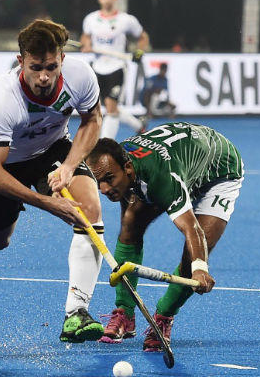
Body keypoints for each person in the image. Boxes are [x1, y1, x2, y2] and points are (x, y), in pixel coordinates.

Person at [0, 19, 106, 343]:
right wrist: (47, 203)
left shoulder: (80, 76)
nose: (44, 77)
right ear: (21, 61)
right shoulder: (3, 97)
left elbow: (92, 119)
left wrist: (69, 166)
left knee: (89, 210)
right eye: (36, 68)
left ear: (62, 58)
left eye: (51, 67)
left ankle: (76, 314)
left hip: (53, 149)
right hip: (7, 164)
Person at [85, 122, 243, 352]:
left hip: (218, 171)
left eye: (109, 179)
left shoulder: (160, 176)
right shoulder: (116, 164)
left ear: (127, 168)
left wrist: (200, 267)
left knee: (193, 257)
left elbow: (192, 228)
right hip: (179, 161)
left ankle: (164, 317)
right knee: (130, 225)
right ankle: (124, 314)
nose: (104, 189)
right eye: (98, 181)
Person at [81, 0, 149, 139]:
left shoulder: (126, 20)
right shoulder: (91, 19)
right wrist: (86, 44)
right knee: (107, 106)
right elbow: (85, 36)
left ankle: (105, 143)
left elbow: (143, 37)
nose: (107, 0)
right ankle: (139, 125)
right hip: (97, 68)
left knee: (111, 107)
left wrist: (139, 51)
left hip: (117, 68)